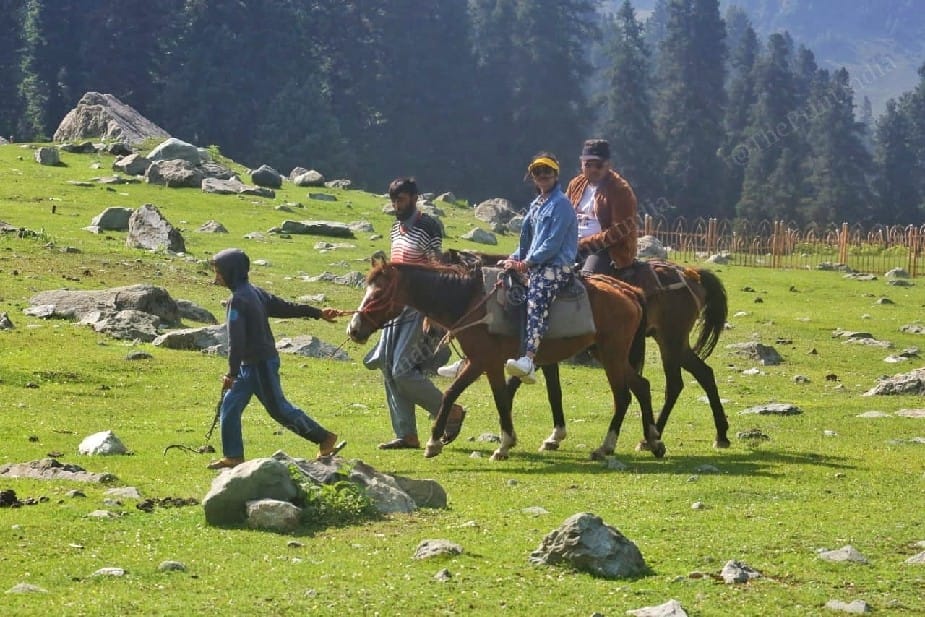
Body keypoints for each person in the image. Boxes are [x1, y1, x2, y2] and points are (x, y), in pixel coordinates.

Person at [207, 248, 344, 469]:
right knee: (230, 406)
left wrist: (231, 373)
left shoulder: (239, 300)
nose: (216, 277)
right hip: (248, 365)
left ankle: (324, 438)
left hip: (260, 364)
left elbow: (236, 342)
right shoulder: (254, 292)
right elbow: (287, 307)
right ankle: (233, 456)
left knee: (279, 409)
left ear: (231, 272)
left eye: (219, 271)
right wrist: (318, 312)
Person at [367, 177, 465, 449]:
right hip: (394, 306)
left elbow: (436, 268)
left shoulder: (428, 225)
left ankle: (450, 411)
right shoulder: (395, 229)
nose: (396, 205)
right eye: (393, 200)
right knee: (387, 366)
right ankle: (406, 433)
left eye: (400, 199)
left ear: (414, 197)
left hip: (418, 307)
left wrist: (432, 312)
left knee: (401, 370)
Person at [500, 152, 578, 384]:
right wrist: (511, 259)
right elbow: (526, 243)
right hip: (535, 263)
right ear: (532, 177)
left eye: (547, 171)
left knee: (536, 295)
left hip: (556, 266)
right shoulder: (536, 205)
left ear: (556, 174)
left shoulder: (562, 204)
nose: (542, 176)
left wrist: (526, 264)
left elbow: (551, 244)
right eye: (537, 172)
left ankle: (529, 359)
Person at [565, 139, 641, 282]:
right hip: (572, 245)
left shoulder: (620, 190)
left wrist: (582, 243)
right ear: (581, 165)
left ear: (608, 165)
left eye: (599, 165)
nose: (593, 169)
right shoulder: (575, 184)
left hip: (607, 250)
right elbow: (564, 217)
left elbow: (618, 232)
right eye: (588, 165)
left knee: (587, 282)